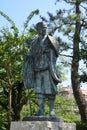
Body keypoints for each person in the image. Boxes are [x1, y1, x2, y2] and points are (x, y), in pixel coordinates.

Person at [23, 21, 61, 116]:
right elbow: (31, 54)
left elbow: (56, 53)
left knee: (50, 90)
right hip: (37, 69)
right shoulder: (34, 42)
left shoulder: (51, 40)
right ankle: (41, 110)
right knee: (39, 91)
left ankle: (52, 111)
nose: (44, 29)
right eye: (42, 28)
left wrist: (48, 51)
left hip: (48, 69)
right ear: (38, 30)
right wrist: (27, 57)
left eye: (45, 27)